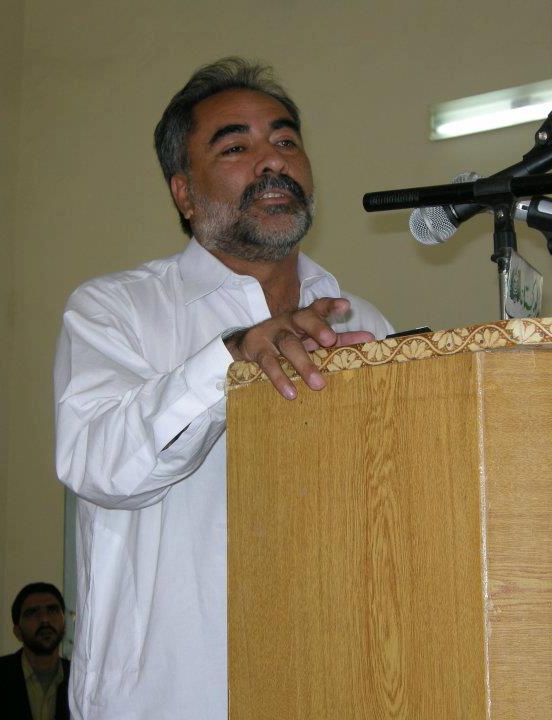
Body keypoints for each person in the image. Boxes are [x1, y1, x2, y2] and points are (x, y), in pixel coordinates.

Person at [54, 58, 392, 719]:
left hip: (334, 684)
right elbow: (98, 465)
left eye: (286, 140)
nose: (273, 160)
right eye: (236, 147)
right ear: (184, 194)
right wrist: (232, 358)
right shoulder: (115, 310)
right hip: (172, 698)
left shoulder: (363, 322)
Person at [0, 582, 70, 720]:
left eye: (52, 610)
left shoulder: (82, 680)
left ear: (64, 625)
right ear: (17, 631)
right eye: (32, 612)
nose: (45, 619)